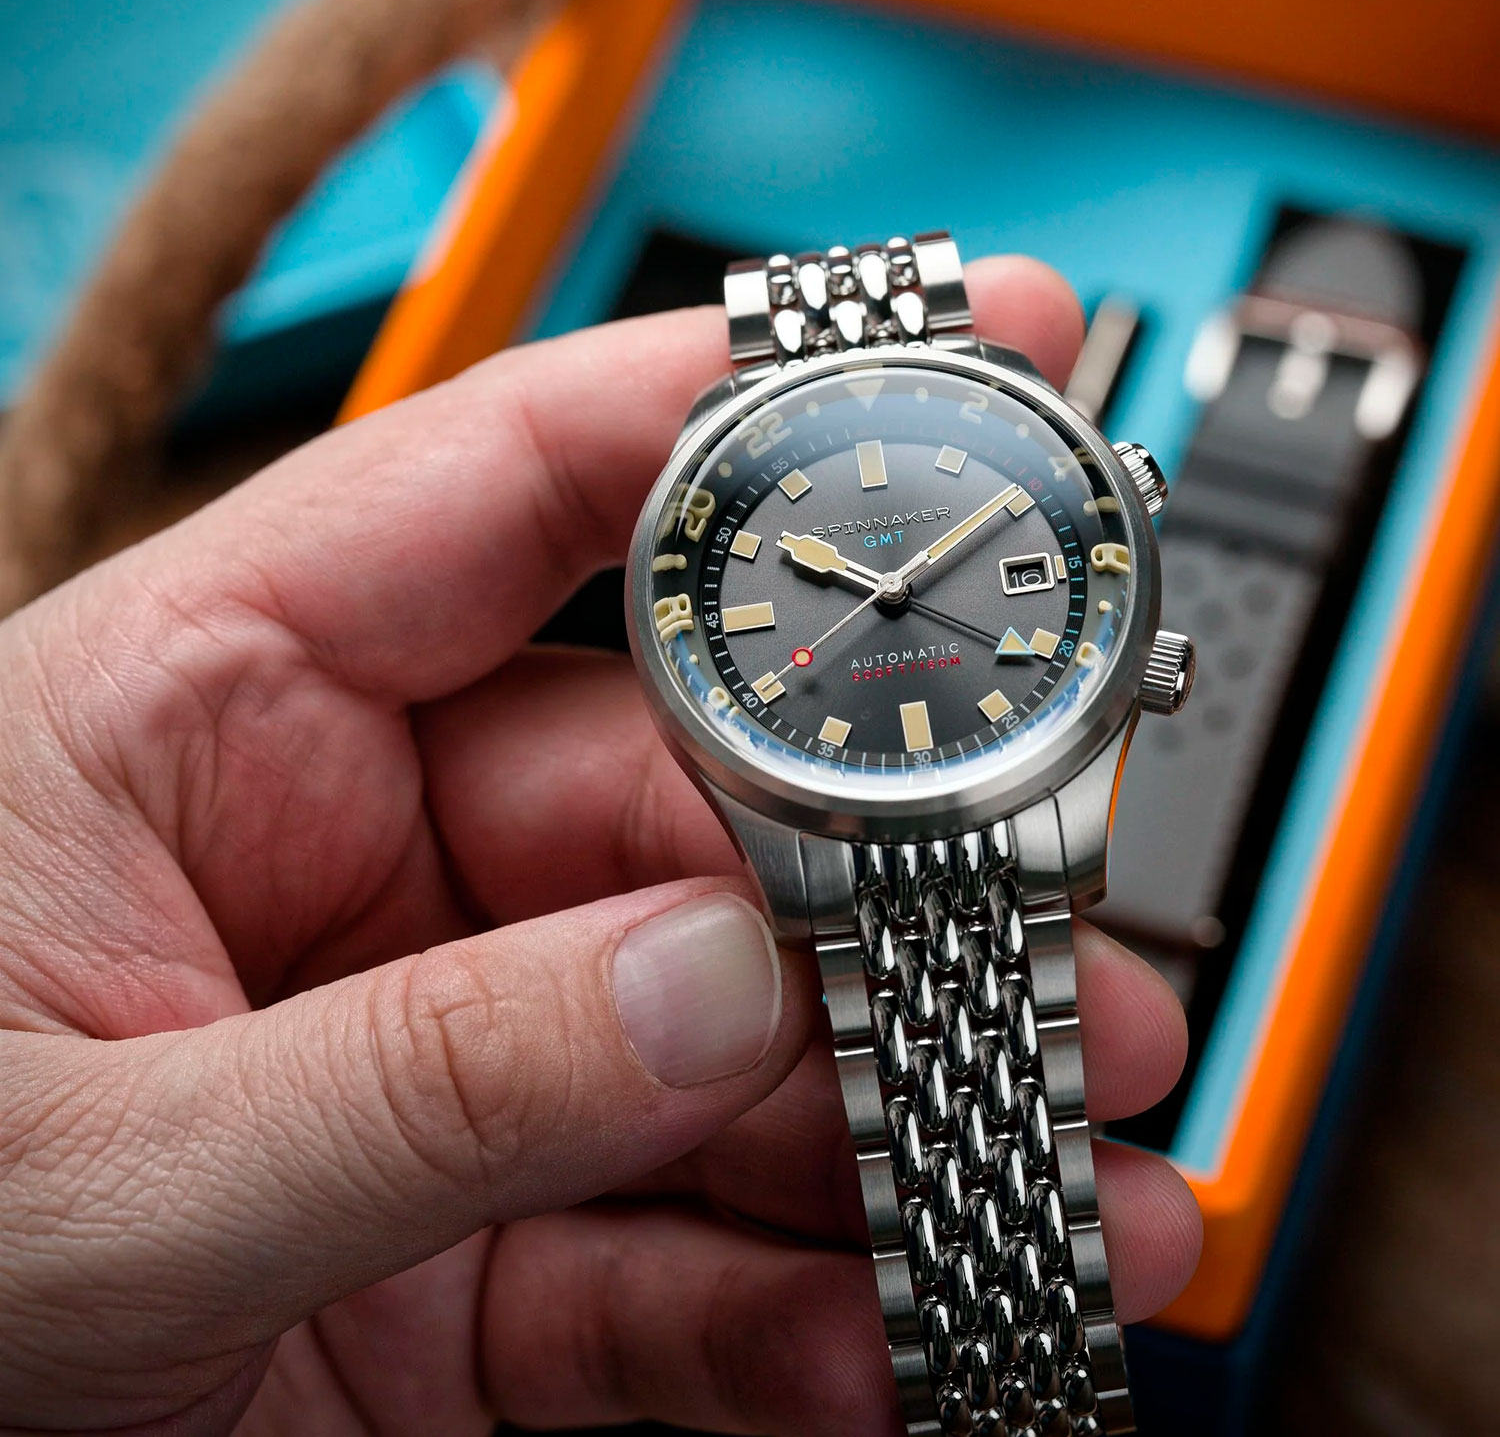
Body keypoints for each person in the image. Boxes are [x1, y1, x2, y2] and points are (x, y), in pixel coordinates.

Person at [0, 256, 1200, 1435]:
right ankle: (1011, 1381)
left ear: (1119, 506)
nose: (889, 599)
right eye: (856, 580)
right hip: (862, 808)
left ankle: (1012, 1376)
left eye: (902, 582)